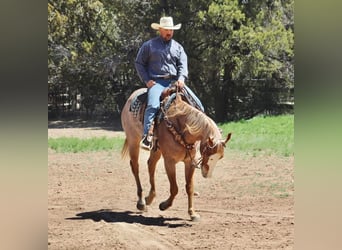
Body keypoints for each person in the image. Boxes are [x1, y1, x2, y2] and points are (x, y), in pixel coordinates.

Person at [135, 16, 204, 150]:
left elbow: (183, 65)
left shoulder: (178, 47)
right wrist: (147, 80)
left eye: (171, 30)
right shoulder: (149, 46)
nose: (169, 32)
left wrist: (181, 79)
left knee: (198, 104)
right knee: (153, 105)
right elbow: (139, 63)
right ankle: (147, 136)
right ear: (160, 30)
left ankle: (206, 133)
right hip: (157, 83)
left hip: (175, 82)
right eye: (166, 29)